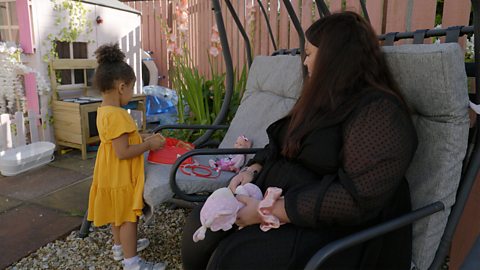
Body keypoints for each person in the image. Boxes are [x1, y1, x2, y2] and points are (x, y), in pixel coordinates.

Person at [181, 11, 418, 270]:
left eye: (309, 53)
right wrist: (253, 169)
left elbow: (355, 199)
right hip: (277, 201)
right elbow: (280, 141)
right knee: (200, 226)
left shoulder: (379, 112)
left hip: (330, 227)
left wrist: (268, 210)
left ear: (335, 59)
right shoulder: (323, 99)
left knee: (233, 259)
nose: (304, 62)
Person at [87, 43, 166, 270]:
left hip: (108, 173)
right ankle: (132, 262)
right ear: (122, 87)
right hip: (121, 174)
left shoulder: (104, 111)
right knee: (128, 218)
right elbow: (123, 152)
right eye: (131, 88)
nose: (131, 93)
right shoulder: (120, 115)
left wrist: (140, 136)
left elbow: (119, 140)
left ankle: (119, 247)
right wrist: (149, 144)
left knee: (116, 213)